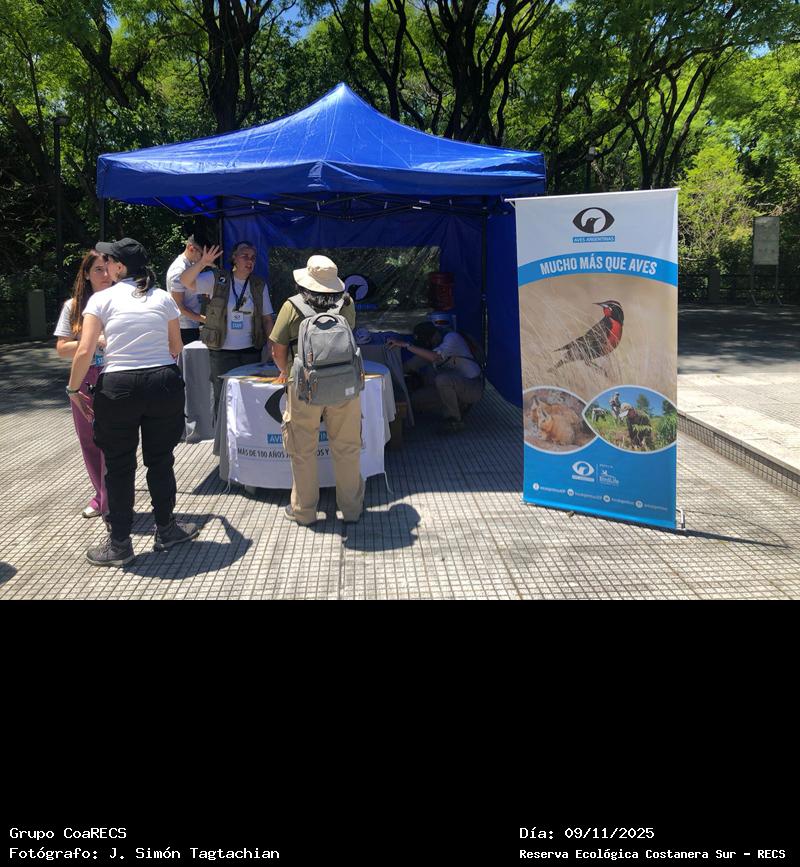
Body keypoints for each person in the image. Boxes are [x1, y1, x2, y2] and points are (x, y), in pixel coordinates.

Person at [67, 237, 199, 567]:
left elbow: (84, 351)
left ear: (119, 267)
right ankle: (166, 529)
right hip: (163, 382)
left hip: (118, 387)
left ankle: (120, 545)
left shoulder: (102, 299)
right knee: (161, 460)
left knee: (119, 465)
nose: (105, 266)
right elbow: (176, 347)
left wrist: (73, 390)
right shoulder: (162, 297)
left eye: (109, 261)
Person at [270, 255, 363, 526]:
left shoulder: (292, 305)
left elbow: (277, 348)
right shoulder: (347, 303)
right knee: (347, 447)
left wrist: (287, 372)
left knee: (303, 450)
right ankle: (351, 509)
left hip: (303, 386)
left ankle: (304, 511)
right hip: (343, 385)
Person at [179, 240, 274, 419]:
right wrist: (202, 263)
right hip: (221, 352)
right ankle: (222, 436)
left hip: (251, 351)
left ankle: (246, 435)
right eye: (244, 256)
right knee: (223, 398)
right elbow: (185, 281)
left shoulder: (258, 285)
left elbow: (267, 319)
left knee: (249, 398)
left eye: (253, 257)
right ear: (234, 258)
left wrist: (271, 347)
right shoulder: (217, 279)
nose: (249, 260)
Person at [54, 249, 113, 519]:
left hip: (115, 375)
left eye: (108, 268)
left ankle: (114, 498)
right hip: (84, 377)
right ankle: (100, 496)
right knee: (89, 440)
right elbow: (62, 348)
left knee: (113, 440)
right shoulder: (73, 306)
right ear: (86, 274)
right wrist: (90, 342)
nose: (104, 274)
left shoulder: (121, 301)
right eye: (98, 269)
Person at [387, 321, 483, 433]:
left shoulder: (452, 338)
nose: (427, 346)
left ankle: (454, 419)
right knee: (413, 401)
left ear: (435, 336)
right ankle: (456, 405)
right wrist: (390, 376)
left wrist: (407, 345)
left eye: (427, 342)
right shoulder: (432, 346)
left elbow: (434, 357)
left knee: (442, 379)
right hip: (454, 385)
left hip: (473, 386)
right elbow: (410, 366)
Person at [165, 233, 209, 345]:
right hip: (183, 328)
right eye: (202, 254)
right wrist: (206, 320)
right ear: (191, 248)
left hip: (191, 325)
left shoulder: (190, 265)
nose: (203, 259)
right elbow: (179, 307)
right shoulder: (178, 270)